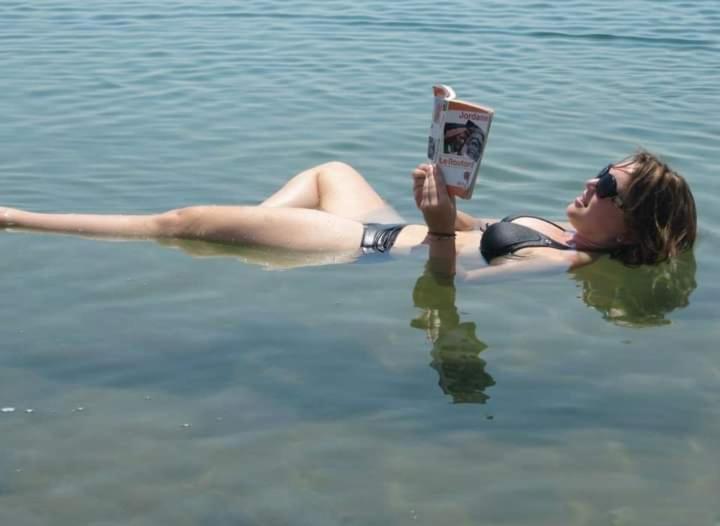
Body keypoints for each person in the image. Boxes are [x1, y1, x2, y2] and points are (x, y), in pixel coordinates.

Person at [0, 150, 697, 277]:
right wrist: (445, 199)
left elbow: (452, 284)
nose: (590, 183)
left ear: (632, 223)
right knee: (331, 170)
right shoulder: (561, 229)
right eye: (600, 172)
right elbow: (464, 234)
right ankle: (250, 237)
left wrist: (441, 227)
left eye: (608, 185)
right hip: (397, 225)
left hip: (364, 243)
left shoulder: (563, 260)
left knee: (179, 221)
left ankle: (15, 218)